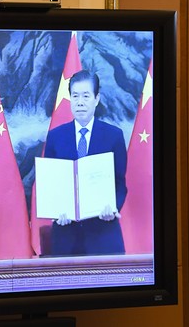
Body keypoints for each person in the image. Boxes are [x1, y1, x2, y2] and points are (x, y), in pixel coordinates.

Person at [43, 70, 127, 256]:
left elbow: (120, 183)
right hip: (66, 235)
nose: (80, 102)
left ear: (97, 98)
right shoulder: (55, 136)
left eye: (86, 96)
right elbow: (50, 183)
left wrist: (113, 208)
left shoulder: (114, 136)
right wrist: (56, 211)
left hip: (103, 232)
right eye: (75, 96)